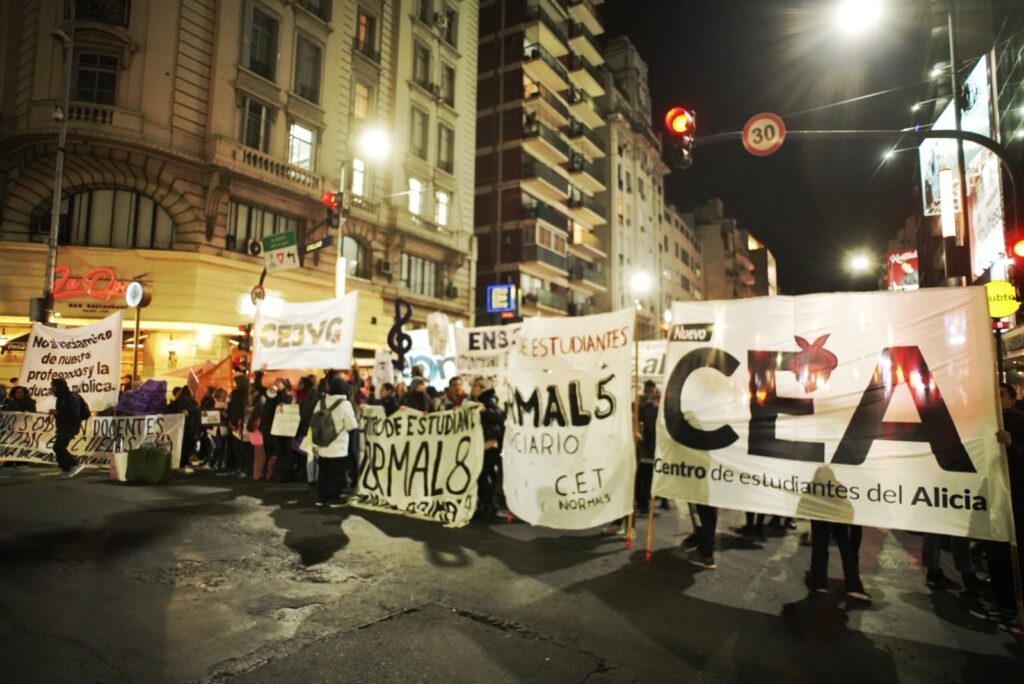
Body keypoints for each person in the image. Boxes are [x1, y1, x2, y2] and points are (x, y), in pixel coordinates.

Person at [987, 383, 1024, 625]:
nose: (998, 400)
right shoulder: (989, 421)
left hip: (1015, 496)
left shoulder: (1017, 421)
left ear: (1013, 398)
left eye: (1001, 395)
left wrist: (1012, 445)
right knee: (996, 549)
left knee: (1009, 552)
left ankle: (1012, 606)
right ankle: (1001, 601)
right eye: (994, 395)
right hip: (994, 496)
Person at [313, 375, 359, 507]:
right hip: (338, 446)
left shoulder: (321, 402)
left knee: (323, 472)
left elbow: (315, 419)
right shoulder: (345, 404)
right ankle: (334, 498)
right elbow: (352, 425)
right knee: (337, 474)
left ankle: (321, 498)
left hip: (322, 444)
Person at [471, 376, 504, 521]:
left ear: (481, 388)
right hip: (486, 443)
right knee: (485, 474)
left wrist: (485, 410)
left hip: (488, 443)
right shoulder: (482, 400)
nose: (472, 389)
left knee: (483, 474)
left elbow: (498, 416)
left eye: (474, 386)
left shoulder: (487, 400)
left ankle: (488, 506)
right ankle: (488, 505)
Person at [49, 378, 87, 479]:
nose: (52, 389)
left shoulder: (71, 397)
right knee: (59, 447)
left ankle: (74, 464)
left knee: (58, 446)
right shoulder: (61, 398)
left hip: (71, 426)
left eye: (53, 386)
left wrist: (58, 413)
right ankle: (65, 468)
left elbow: (74, 414)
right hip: (63, 425)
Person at [636, 381, 659, 513]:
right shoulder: (649, 407)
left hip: (644, 448)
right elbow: (651, 429)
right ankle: (644, 504)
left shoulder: (639, 405)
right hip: (648, 448)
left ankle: (642, 503)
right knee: (646, 478)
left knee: (642, 477)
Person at [167, 386, 200, 472]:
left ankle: (182, 462)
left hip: (186, 427)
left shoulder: (183, 401)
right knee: (186, 445)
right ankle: (183, 462)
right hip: (187, 427)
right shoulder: (186, 401)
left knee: (185, 445)